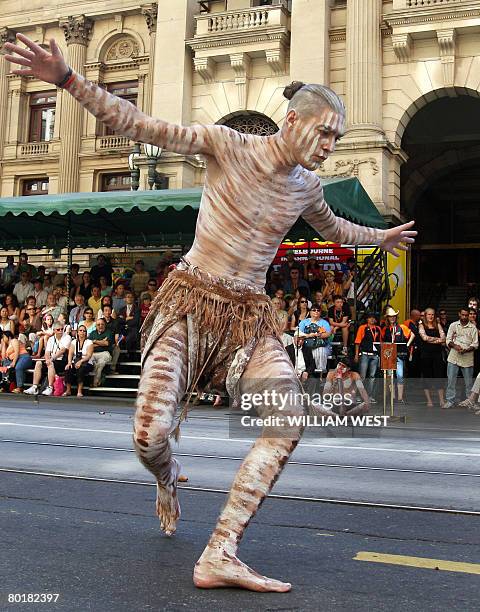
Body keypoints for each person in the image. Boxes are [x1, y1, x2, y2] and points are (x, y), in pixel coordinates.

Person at [5, 36, 416, 591]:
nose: (328, 146)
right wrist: (67, 80)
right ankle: (168, 475)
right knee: (149, 436)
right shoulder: (226, 144)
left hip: (250, 317)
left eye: (336, 139)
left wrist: (380, 235)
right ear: (292, 121)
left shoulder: (307, 188)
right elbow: (142, 125)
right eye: (323, 133)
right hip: (192, 300)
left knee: (286, 422)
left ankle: (221, 551)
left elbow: (336, 230)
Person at [444, 307, 479, 409]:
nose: (464, 317)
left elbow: (475, 344)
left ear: (469, 315)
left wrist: (466, 349)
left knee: (468, 383)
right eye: (462, 315)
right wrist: (455, 346)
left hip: (467, 358)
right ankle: (450, 400)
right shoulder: (453, 325)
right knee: (451, 380)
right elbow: (448, 340)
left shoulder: (473, 328)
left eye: (466, 315)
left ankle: (470, 402)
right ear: (459, 314)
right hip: (454, 356)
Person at [25, 321, 71, 396]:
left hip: (62, 360)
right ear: (54, 330)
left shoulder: (67, 337)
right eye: (58, 329)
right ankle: (34, 386)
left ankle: (50, 387)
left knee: (51, 364)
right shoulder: (51, 339)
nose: (60, 331)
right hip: (52, 360)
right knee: (38, 363)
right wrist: (47, 360)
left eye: (62, 329)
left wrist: (51, 359)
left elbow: (62, 350)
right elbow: (47, 352)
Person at [381, 306, 414, 404]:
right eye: (390, 317)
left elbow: (412, 335)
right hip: (388, 355)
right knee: (390, 376)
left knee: (400, 375)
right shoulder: (385, 329)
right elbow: (381, 340)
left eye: (394, 316)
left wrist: (407, 345)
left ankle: (400, 398)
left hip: (399, 354)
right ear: (387, 318)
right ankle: (392, 397)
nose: (392, 318)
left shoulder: (402, 327)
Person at [418, 308, 446, 408]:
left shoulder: (438, 325)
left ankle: (442, 401)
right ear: (425, 315)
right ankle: (429, 401)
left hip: (437, 354)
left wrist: (432, 340)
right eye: (429, 314)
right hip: (426, 355)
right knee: (427, 377)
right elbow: (424, 338)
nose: (431, 316)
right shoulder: (421, 325)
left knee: (439, 376)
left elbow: (444, 339)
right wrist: (437, 340)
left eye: (433, 314)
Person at [354, 312, 381, 401]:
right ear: (367, 319)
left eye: (373, 317)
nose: (372, 319)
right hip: (365, 354)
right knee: (362, 376)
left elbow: (380, 343)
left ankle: (369, 396)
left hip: (375, 355)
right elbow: (357, 342)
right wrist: (356, 355)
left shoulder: (378, 329)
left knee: (372, 377)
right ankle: (359, 395)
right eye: (370, 317)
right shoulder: (363, 328)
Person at [299, 303, 332, 374]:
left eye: (318, 310)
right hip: (306, 345)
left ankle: (320, 373)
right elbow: (299, 334)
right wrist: (310, 335)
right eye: (314, 310)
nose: (316, 311)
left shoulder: (324, 322)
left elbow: (328, 334)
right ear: (310, 312)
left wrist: (319, 335)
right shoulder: (304, 322)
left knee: (320, 350)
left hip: (321, 345)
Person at [64, 325, 94, 397]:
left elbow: (89, 355)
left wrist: (81, 361)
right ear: (77, 332)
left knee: (80, 369)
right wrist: (69, 362)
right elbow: (70, 353)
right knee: (68, 368)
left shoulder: (89, 342)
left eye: (84, 331)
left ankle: (79, 391)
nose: (82, 332)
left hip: (86, 362)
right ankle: (68, 390)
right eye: (80, 330)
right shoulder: (74, 342)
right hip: (75, 361)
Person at [89, 318, 113, 387]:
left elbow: (106, 343)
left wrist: (95, 341)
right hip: (93, 353)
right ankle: (97, 381)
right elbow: (90, 345)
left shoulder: (108, 332)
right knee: (90, 361)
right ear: (96, 326)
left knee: (100, 363)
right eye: (98, 324)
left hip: (105, 353)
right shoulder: (93, 333)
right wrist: (101, 342)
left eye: (102, 324)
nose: (100, 326)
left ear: (105, 325)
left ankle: (95, 382)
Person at [118, 291, 140, 359]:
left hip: (133, 329)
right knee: (118, 339)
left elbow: (135, 321)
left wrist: (124, 320)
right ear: (125, 299)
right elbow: (119, 321)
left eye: (131, 297)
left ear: (133, 299)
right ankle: (122, 357)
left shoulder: (137, 309)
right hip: (123, 330)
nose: (129, 298)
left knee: (129, 338)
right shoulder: (121, 309)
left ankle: (129, 355)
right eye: (128, 297)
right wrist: (126, 319)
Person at [403, 308, 422, 378]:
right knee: (411, 367)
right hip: (410, 350)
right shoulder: (407, 323)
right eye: (419, 315)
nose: (420, 317)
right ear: (414, 316)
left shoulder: (418, 324)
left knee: (417, 367)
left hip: (417, 350)